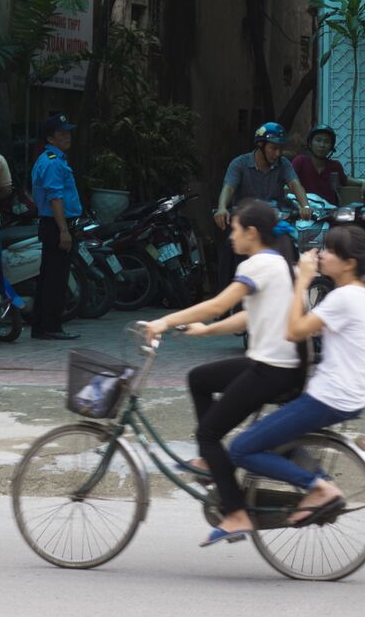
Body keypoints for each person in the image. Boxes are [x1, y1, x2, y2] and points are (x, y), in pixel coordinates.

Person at [141, 200, 304, 545]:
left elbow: (218, 304)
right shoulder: (277, 263)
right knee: (199, 378)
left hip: (271, 369)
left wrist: (165, 321)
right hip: (273, 364)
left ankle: (235, 513)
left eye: (234, 229)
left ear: (252, 233)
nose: (230, 236)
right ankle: (211, 462)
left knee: (210, 433)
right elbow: (250, 317)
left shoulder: (260, 263)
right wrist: (205, 331)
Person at [218, 225, 365, 539]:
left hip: (329, 398)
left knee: (242, 449)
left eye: (328, 251)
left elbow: (294, 331)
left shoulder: (345, 297)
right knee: (274, 426)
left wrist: (301, 280)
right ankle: (314, 482)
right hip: (351, 396)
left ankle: (320, 486)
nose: (321, 255)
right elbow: (310, 327)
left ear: (349, 263)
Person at [213, 123, 312, 281]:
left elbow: (295, 184)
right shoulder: (239, 164)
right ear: (261, 145)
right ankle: (226, 298)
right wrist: (222, 208)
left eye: (281, 149)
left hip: (274, 223)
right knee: (230, 251)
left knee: (290, 250)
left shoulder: (284, 164)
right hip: (246, 225)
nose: (278, 153)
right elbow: (229, 188)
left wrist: (305, 206)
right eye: (273, 148)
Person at [30, 115, 82, 341]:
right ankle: (50, 326)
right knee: (55, 279)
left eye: (68, 132)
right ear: (50, 138)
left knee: (49, 277)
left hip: (55, 224)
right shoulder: (52, 161)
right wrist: (64, 230)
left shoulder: (55, 159)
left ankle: (42, 326)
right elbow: (55, 199)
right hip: (56, 225)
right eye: (62, 133)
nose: (67, 137)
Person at [291, 124, 364, 205]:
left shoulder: (335, 166)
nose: (322, 145)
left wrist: (362, 183)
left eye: (326, 141)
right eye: (318, 140)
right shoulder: (300, 161)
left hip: (329, 210)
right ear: (310, 144)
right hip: (306, 209)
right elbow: (290, 180)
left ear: (331, 147)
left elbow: (345, 180)